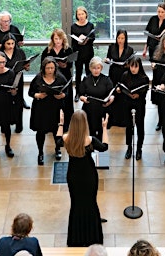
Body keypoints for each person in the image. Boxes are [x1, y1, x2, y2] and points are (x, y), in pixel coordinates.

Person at [56, 110, 109, 247]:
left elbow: (57, 141)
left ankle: (77, 237)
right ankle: (92, 233)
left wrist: (61, 123)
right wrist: (104, 127)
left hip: (73, 176)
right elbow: (104, 147)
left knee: (76, 203)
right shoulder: (90, 140)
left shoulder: (67, 138)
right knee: (91, 202)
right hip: (89, 176)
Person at [29, 57, 67, 165]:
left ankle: (57, 149)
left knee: (56, 130)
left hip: (55, 107)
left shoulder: (60, 78)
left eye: (52, 68)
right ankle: (40, 152)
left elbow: (67, 92)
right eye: (48, 68)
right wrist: (37, 95)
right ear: (43, 68)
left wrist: (63, 95)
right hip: (41, 109)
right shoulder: (38, 78)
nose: (50, 70)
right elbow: (30, 92)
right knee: (40, 132)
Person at [41, 28, 74, 131]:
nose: (58, 41)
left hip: (65, 76)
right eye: (56, 38)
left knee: (66, 100)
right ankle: (51, 122)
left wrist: (65, 65)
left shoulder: (68, 49)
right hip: (52, 77)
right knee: (52, 99)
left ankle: (67, 123)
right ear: (52, 39)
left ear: (63, 39)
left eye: (60, 38)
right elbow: (42, 64)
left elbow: (71, 64)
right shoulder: (48, 50)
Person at [119, 57, 149, 160]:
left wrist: (138, 95)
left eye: (136, 66)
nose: (133, 69)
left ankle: (139, 148)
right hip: (127, 103)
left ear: (139, 66)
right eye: (132, 66)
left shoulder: (144, 78)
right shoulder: (125, 75)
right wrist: (121, 90)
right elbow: (121, 87)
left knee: (140, 126)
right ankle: (129, 148)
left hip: (139, 104)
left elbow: (145, 91)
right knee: (129, 126)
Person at [78, 57, 114, 140]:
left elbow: (111, 93)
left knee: (101, 131)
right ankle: (90, 148)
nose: (96, 70)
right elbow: (81, 94)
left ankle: (100, 146)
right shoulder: (86, 79)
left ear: (101, 68)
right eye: (94, 68)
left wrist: (111, 98)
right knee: (89, 132)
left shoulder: (106, 79)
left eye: (98, 68)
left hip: (102, 108)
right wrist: (82, 98)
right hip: (89, 108)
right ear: (90, 68)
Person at [105, 29, 134, 127]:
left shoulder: (129, 49)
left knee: (122, 97)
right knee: (113, 95)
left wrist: (128, 65)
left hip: (124, 74)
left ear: (126, 39)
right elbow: (108, 58)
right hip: (114, 73)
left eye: (122, 38)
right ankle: (112, 120)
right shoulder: (111, 47)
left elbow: (131, 63)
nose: (120, 40)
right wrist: (107, 60)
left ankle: (123, 120)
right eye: (118, 38)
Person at [1, 33, 30, 133]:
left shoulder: (20, 52)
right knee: (5, 103)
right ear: (4, 44)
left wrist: (26, 67)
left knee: (18, 102)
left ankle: (19, 124)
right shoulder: (0, 53)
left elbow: (25, 66)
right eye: (8, 43)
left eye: (12, 43)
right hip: (5, 80)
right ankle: (5, 124)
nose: (11, 46)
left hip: (18, 79)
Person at [71, 6, 95, 103]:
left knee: (89, 73)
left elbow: (93, 38)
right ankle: (78, 93)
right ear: (76, 15)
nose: (80, 16)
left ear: (86, 14)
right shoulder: (73, 26)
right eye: (79, 14)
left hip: (88, 52)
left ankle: (89, 92)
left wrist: (87, 39)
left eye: (82, 14)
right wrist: (79, 41)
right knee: (78, 73)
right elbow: (72, 41)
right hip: (78, 53)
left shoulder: (90, 25)